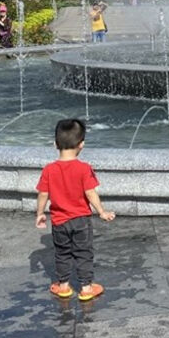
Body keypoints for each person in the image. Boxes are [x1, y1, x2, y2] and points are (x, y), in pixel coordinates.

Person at [35, 119, 115, 302]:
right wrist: (101, 211)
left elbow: (43, 194)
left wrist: (40, 213)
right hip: (81, 220)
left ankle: (63, 286)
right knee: (83, 252)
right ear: (82, 145)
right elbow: (90, 193)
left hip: (59, 221)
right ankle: (86, 288)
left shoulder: (49, 169)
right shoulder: (84, 168)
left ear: (55, 144)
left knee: (62, 253)